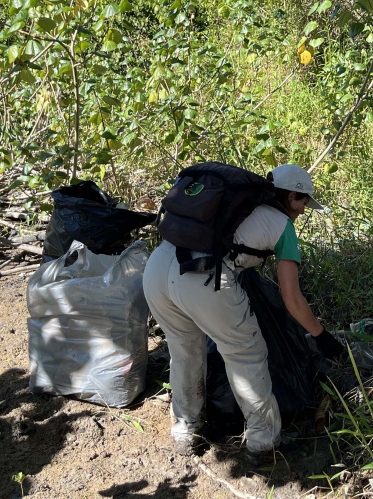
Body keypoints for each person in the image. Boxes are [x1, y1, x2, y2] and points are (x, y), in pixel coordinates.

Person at [142, 163, 344, 457]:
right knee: (246, 353)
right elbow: (292, 298)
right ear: (291, 196)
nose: (303, 210)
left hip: (157, 270)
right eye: (303, 202)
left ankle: (186, 431)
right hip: (201, 276)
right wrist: (321, 335)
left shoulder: (236, 206)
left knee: (184, 352)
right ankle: (264, 441)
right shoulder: (282, 225)